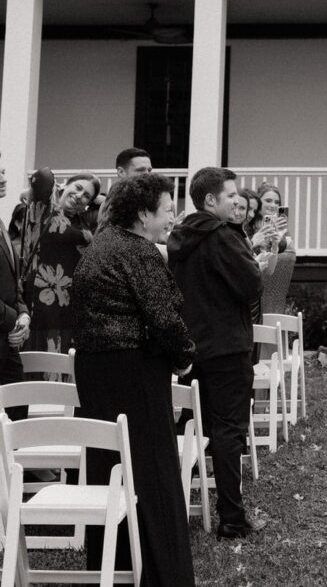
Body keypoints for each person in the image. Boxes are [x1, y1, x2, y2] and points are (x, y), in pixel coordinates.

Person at [70, 173, 195, 585]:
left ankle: (114, 565)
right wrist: (183, 358)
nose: (172, 217)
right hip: (133, 372)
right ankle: (161, 574)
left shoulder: (99, 244)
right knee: (152, 470)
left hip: (94, 370)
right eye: (167, 210)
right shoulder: (138, 251)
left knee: (110, 465)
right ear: (143, 214)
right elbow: (164, 317)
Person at [167, 167, 265, 539]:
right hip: (227, 346)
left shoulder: (180, 235)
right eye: (230, 195)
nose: (236, 200)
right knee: (228, 431)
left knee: (192, 427)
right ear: (210, 200)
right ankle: (232, 517)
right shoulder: (224, 235)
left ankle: (176, 509)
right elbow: (251, 285)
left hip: (194, 344)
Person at [24, 173, 99, 353]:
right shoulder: (44, 209)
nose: (80, 196)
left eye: (87, 196)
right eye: (78, 188)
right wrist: (58, 189)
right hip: (41, 299)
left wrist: (98, 200)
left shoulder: (83, 223)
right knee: (39, 358)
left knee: (63, 364)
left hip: (71, 305)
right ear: (66, 184)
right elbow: (43, 176)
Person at [0, 160, 29, 420]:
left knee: (18, 417)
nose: (2, 176)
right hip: (5, 330)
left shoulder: (1, 223)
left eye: (3, 171)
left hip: (8, 342)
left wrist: (23, 315)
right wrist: (12, 322)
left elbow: (13, 280)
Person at [96, 147, 153, 233]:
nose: (147, 175)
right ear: (121, 172)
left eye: (149, 170)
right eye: (140, 170)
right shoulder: (115, 202)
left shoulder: (146, 198)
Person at [254, 183, 294, 253]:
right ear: (258, 201)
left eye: (277, 202)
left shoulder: (279, 223)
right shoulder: (249, 222)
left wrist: (279, 235)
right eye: (268, 201)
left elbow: (290, 256)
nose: (273, 205)